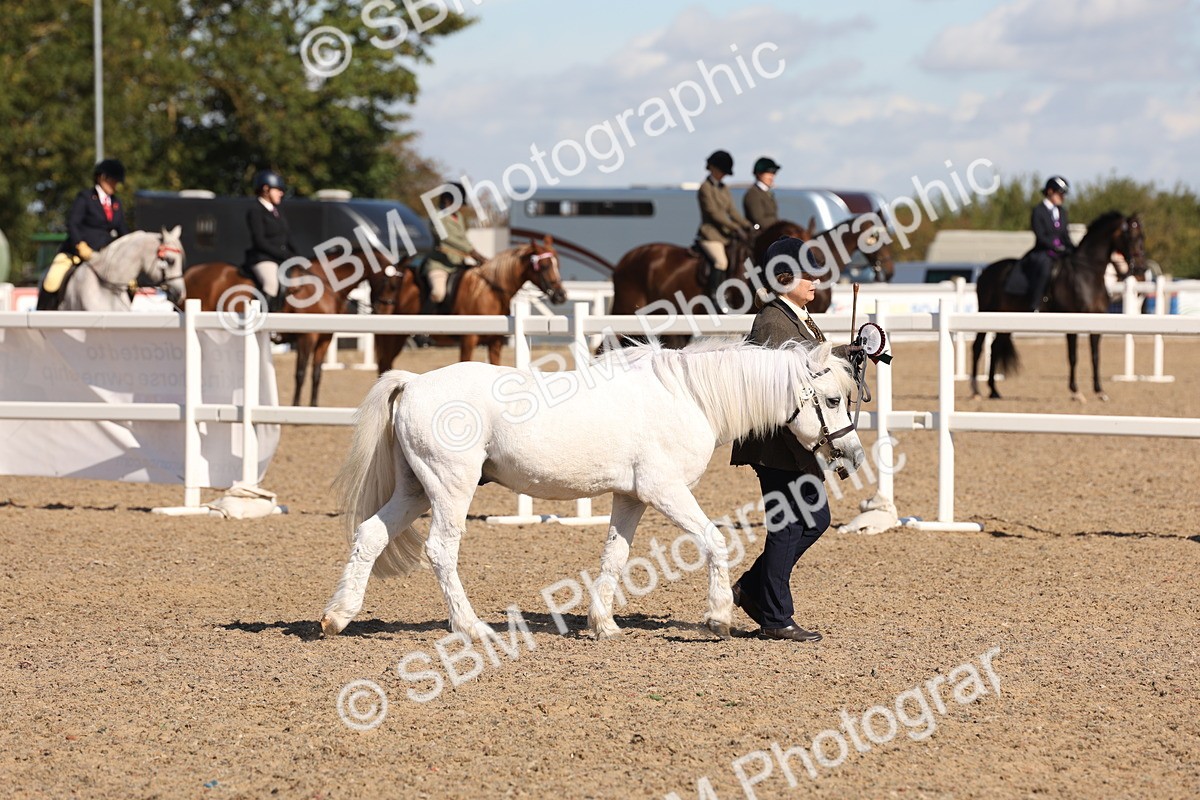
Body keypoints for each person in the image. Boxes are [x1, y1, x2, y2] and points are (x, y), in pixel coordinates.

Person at [729, 235, 856, 643]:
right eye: (807, 275)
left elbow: (813, 363)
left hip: (798, 444)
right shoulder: (772, 321)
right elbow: (795, 376)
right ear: (783, 277)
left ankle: (753, 587)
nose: (815, 281)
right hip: (776, 445)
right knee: (786, 528)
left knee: (816, 520)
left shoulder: (796, 314)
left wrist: (852, 354)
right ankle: (776, 618)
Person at [38, 159, 130, 310]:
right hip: (78, 252)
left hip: (104, 254)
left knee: (131, 283)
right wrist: (80, 245)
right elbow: (73, 223)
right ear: (102, 178)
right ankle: (42, 314)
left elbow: (123, 230)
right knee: (52, 279)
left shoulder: (116, 203)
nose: (115, 185)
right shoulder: (85, 197)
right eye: (113, 181)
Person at [697, 150, 753, 306]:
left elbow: (732, 211)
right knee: (721, 261)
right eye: (721, 171)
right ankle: (715, 295)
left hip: (726, 235)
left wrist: (747, 225)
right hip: (711, 235)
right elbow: (714, 213)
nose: (723, 175)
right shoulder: (705, 188)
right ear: (713, 168)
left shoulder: (724, 188)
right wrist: (735, 228)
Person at [424, 183, 487, 315]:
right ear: (447, 200)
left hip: (458, 264)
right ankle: (424, 324)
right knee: (438, 293)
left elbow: (463, 239)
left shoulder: (459, 217)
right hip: (440, 265)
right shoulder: (436, 216)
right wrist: (471, 251)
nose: (460, 207)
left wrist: (477, 255)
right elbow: (447, 238)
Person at [244, 169, 297, 312]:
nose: (281, 193)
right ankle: (264, 319)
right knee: (271, 284)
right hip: (263, 259)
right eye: (278, 190)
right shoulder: (255, 210)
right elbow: (259, 240)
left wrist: (296, 256)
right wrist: (283, 255)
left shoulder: (277, 211)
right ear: (266, 189)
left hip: (280, 259)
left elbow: (287, 236)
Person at [1025, 175, 1072, 311]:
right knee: (1045, 269)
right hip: (1043, 251)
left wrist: (1072, 249)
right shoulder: (1038, 211)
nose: (1062, 197)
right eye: (1060, 194)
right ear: (1050, 192)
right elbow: (1040, 236)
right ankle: (1035, 304)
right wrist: (1055, 246)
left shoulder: (1062, 212)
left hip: (1060, 251)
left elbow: (1065, 235)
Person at [743, 157, 781, 231]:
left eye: (773, 173)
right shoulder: (753, 194)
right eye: (769, 173)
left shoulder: (767, 193)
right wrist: (779, 228)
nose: (772, 177)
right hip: (759, 233)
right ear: (759, 174)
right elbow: (759, 220)